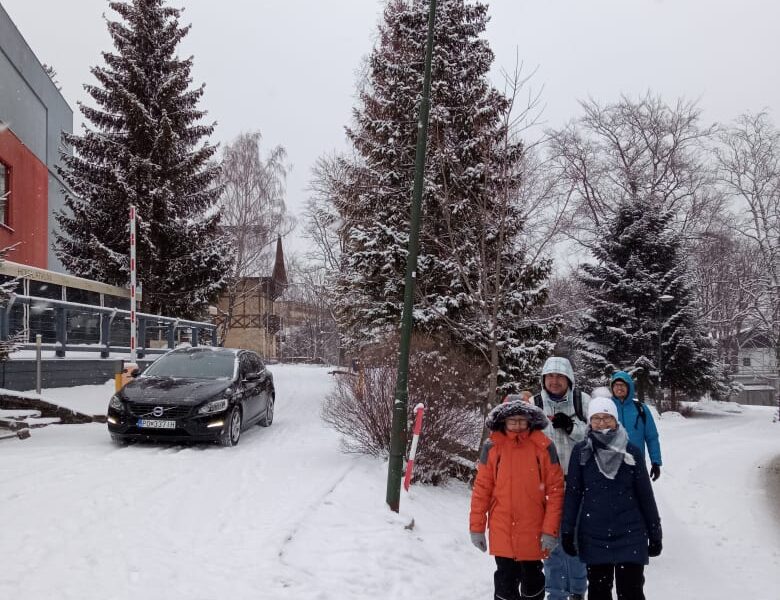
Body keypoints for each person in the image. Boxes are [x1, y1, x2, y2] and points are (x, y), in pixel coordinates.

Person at [561, 397, 662, 600]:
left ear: (616, 420)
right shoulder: (581, 452)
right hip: (594, 534)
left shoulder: (631, 452)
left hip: (630, 533)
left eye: (607, 418)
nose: (602, 423)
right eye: (596, 418)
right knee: (599, 592)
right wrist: (567, 531)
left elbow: (645, 495)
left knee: (631, 592)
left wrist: (655, 532)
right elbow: (573, 494)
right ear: (590, 421)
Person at [469, 399, 565, 600]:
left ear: (530, 421)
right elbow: (482, 489)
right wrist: (476, 527)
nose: (518, 425)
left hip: (534, 529)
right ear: (503, 421)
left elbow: (555, 491)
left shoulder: (544, 446)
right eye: (512, 421)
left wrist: (551, 530)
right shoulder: (492, 446)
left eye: (522, 420)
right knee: (505, 584)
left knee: (533, 584)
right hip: (502, 527)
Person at [534, 357, 590, 600]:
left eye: (559, 377)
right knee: (549, 541)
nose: (554, 381)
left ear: (569, 379)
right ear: (544, 379)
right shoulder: (534, 405)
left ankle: (578, 588)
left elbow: (600, 434)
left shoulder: (583, 401)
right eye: (550, 376)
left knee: (575, 539)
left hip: (579, 484)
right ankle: (554, 591)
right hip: (544, 485)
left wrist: (573, 428)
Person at [609, 371, 663, 481]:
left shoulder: (641, 408)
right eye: (616, 385)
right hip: (611, 465)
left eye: (622, 385)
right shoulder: (607, 407)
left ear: (629, 387)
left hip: (636, 464)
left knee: (637, 496)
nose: (619, 388)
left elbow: (651, 437)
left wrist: (655, 462)